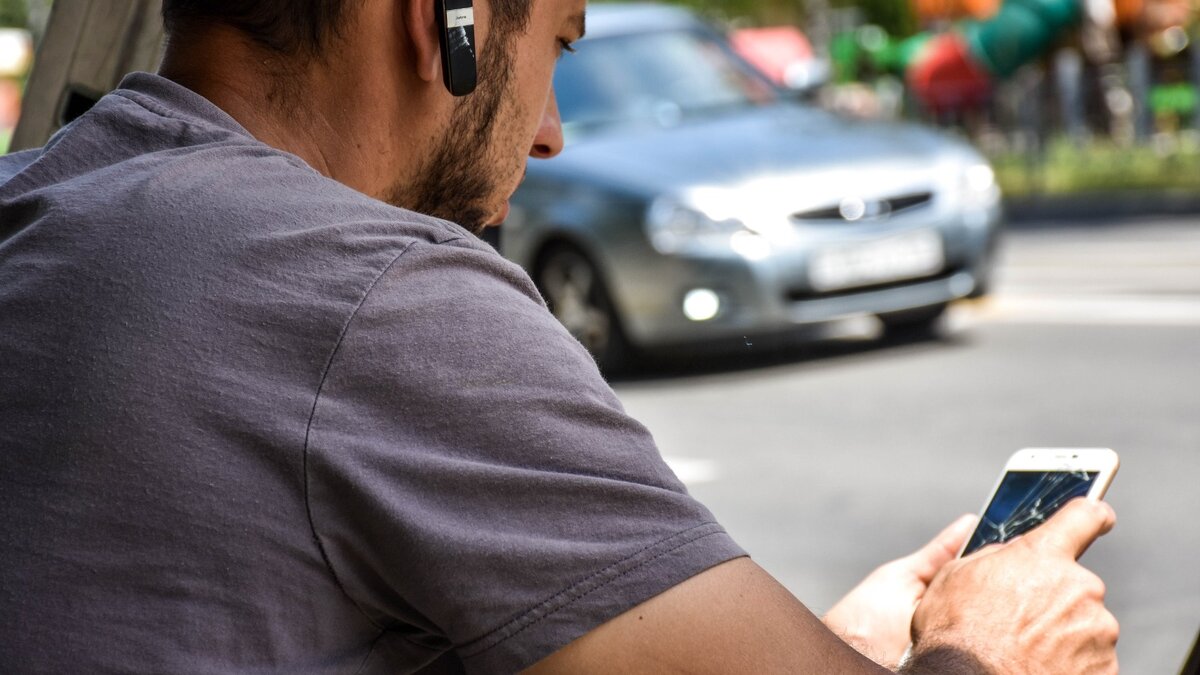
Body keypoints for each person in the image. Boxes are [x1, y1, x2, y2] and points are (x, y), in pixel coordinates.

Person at [0, 0, 1119, 672]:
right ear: (446, 21)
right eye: (561, 48)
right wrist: (989, 653)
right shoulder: (373, 291)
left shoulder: (40, 201)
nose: (548, 134)